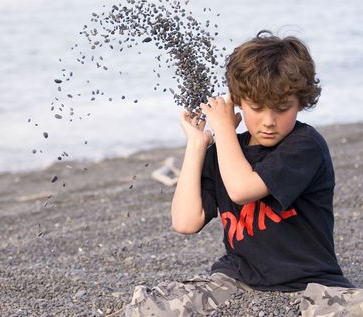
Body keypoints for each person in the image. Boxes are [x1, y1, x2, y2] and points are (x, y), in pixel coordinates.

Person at [124, 30, 363, 316]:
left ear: (300, 101)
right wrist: (197, 146)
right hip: (236, 283)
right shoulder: (225, 151)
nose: (269, 121)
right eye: (257, 108)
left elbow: (242, 189)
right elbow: (185, 222)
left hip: (310, 287)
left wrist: (224, 128)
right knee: (149, 304)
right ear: (238, 101)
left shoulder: (305, 145)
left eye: (283, 108)